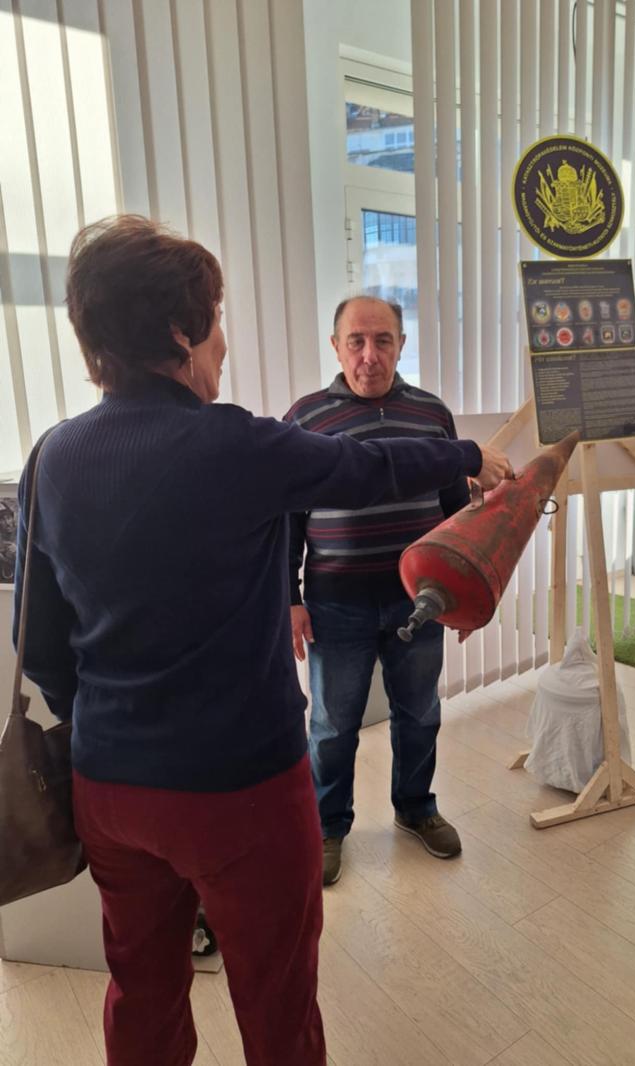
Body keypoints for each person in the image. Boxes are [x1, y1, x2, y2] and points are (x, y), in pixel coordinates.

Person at [13, 217, 513, 1066]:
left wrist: (103, 719)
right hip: (241, 787)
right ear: (181, 332)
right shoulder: (236, 444)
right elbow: (368, 469)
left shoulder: (52, 457)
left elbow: (40, 643)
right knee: (276, 997)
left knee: (140, 988)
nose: (224, 341)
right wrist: (467, 454)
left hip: (109, 784)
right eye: (215, 319)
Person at [286, 295, 478, 887]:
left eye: (383, 340)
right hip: (334, 602)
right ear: (336, 346)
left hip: (418, 599)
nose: (369, 355)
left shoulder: (432, 415)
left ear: (401, 344)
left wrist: (461, 593)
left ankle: (415, 808)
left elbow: (456, 514)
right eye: (356, 341)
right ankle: (327, 826)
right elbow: (286, 520)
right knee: (332, 725)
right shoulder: (305, 419)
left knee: (419, 712)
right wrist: (289, 599)